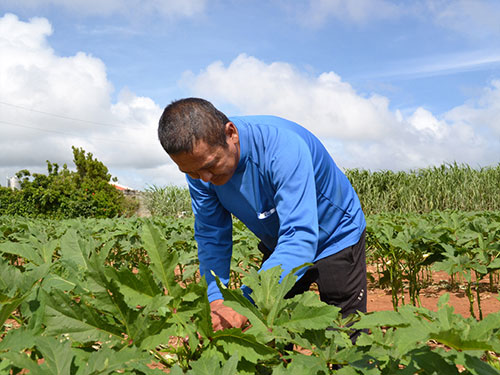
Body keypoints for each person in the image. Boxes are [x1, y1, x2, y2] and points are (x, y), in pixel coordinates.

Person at [157, 98, 367, 332]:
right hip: (280, 243)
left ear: (231, 133)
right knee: (273, 333)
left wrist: (243, 305)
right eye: (191, 172)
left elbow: (300, 236)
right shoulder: (198, 167)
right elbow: (211, 235)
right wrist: (216, 300)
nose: (204, 178)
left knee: (346, 335)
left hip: (334, 236)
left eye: (211, 164)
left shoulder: (283, 147)